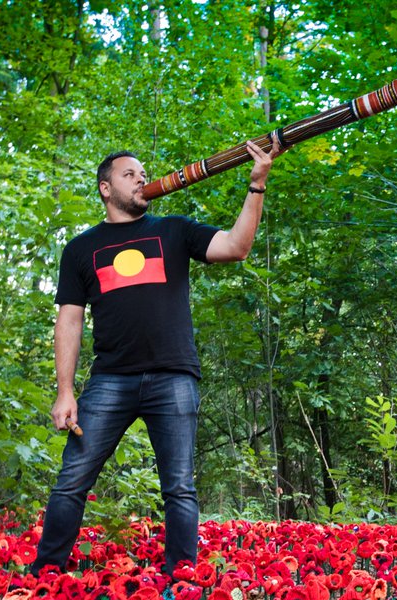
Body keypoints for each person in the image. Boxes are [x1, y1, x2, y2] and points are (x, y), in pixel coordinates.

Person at [32, 140, 281, 577]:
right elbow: (69, 321)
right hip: (110, 380)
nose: (141, 179)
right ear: (105, 188)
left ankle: (180, 583)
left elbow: (236, 247)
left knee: (179, 488)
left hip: (173, 377)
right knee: (72, 481)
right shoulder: (81, 249)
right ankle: (45, 577)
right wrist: (65, 392)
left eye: (143, 174)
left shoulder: (173, 230)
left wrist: (256, 184)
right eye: (129, 174)